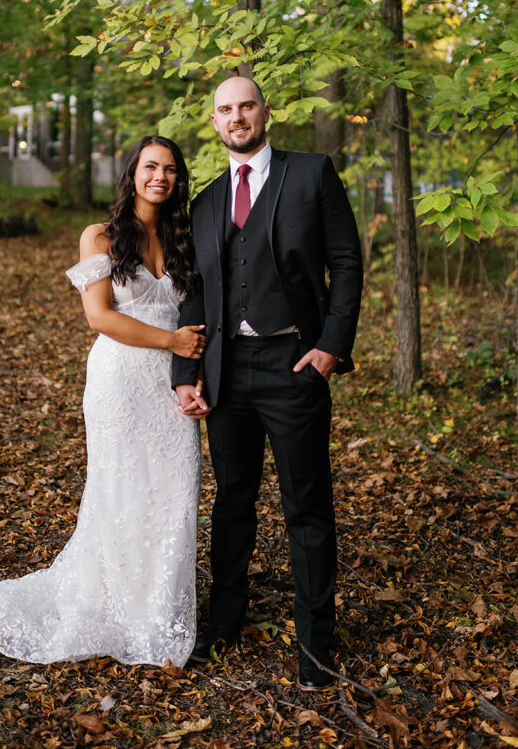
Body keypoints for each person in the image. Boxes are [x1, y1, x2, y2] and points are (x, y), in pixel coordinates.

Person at [0, 136, 208, 667]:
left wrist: (192, 369)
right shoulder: (98, 236)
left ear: (178, 179)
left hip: (172, 383)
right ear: (133, 173)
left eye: (170, 169)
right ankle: (112, 606)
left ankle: (157, 612)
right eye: (150, 166)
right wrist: (172, 341)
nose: (160, 177)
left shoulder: (186, 237)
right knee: (120, 490)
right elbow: (99, 317)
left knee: (174, 492)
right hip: (120, 380)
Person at [172, 76, 363, 690]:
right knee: (231, 506)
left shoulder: (311, 173)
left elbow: (346, 262)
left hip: (293, 364)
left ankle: (316, 646)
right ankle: (224, 624)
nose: (237, 117)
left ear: (265, 112)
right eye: (225, 109)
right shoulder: (202, 202)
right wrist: (186, 373)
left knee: (306, 506)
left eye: (246, 105)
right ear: (214, 121)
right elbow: (196, 291)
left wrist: (331, 345)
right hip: (228, 373)